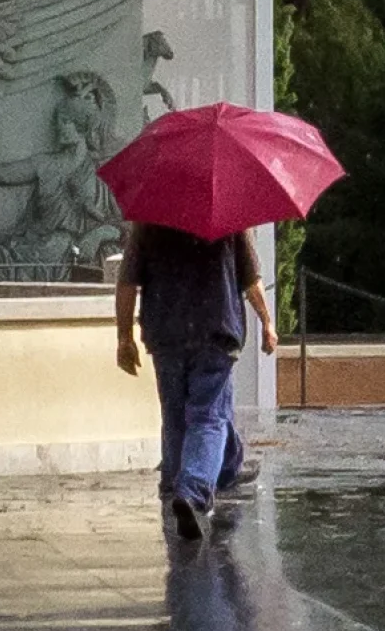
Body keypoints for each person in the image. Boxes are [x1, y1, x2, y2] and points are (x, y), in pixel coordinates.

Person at [115, 220, 279, 539]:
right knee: (208, 416)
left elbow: (127, 283)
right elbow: (251, 281)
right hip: (215, 329)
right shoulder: (230, 220)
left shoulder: (150, 222)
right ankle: (191, 492)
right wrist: (268, 323)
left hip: (166, 333)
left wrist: (124, 337)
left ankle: (196, 478)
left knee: (176, 416)